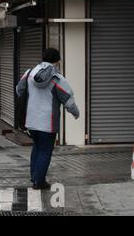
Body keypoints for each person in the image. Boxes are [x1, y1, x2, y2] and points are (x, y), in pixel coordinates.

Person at [16, 48, 80, 190]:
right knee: (45, 151)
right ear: (57, 61)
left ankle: (34, 177)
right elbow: (67, 99)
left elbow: (19, 90)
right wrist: (76, 113)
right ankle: (39, 181)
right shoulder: (57, 78)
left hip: (31, 120)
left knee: (37, 148)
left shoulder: (29, 73)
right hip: (48, 122)